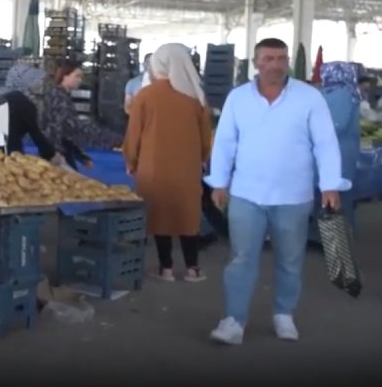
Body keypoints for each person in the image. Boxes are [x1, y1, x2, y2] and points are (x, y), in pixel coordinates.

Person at [206, 38, 347, 345]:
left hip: (293, 195)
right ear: (256, 63)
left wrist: (330, 184)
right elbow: (225, 142)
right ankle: (233, 319)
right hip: (246, 193)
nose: (276, 65)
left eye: (281, 58)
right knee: (242, 258)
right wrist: (219, 181)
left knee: (290, 258)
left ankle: (284, 315)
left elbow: (325, 143)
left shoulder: (309, 98)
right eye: (268, 58)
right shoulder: (238, 98)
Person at [122, 43, 213, 282]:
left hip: (153, 168)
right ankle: (193, 268)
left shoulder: (146, 96)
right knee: (188, 214)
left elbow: (134, 134)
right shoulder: (196, 98)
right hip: (187, 169)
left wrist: (131, 160)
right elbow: (207, 138)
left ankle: (167, 269)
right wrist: (202, 159)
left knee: (160, 214)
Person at [41, 60, 122, 170]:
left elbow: (65, 131)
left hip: (58, 150)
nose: (80, 80)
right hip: (57, 153)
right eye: (77, 76)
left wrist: (80, 156)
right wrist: (112, 140)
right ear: (65, 76)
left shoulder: (57, 95)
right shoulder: (60, 99)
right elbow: (67, 129)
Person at [0, 63, 60, 162]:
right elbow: (36, 133)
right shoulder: (24, 103)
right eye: (37, 81)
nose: (40, 85)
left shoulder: (2, 97)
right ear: (27, 82)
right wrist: (50, 154)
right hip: (6, 153)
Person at [320, 61, 361, 230]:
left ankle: (339, 243)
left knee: (337, 200)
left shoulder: (341, 94)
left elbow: (338, 124)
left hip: (339, 155)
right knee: (337, 199)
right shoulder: (342, 92)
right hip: (339, 153)